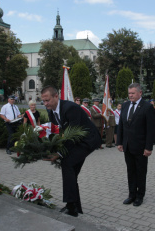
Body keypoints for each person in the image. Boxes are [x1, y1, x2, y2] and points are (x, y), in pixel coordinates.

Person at [41, 86, 101, 217]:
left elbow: (72, 135)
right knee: (71, 172)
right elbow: (58, 132)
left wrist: (60, 154)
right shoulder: (51, 110)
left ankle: (71, 207)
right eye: (43, 101)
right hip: (76, 141)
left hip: (87, 140)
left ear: (56, 96)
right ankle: (75, 207)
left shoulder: (70, 108)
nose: (45, 104)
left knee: (67, 163)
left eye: (47, 100)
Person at [117, 83, 155, 207]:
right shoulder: (125, 105)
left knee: (140, 172)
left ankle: (140, 196)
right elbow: (122, 125)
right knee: (131, 171)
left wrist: (148, 147)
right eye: (129, 93)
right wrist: (119, 142)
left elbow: (151, 129)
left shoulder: (147, 107)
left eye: (133, 93)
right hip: (127, 146)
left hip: (141, 147)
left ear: (140, 93)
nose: (130, 95)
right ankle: (131, 195)